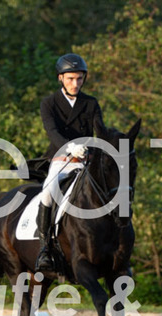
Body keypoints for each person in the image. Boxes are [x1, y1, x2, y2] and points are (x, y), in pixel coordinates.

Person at [34, 53, 107, 272]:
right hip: (61, 159)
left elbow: (100, 131)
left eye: (79, 79)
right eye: (70, 79)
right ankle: (45, 248)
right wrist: (70, 147)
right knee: (48, 193)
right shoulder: (49, 103)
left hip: (86, 160)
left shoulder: (91, 103)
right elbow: (52, 132)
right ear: (61, 78)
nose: (75, 84)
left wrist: (100, 149)